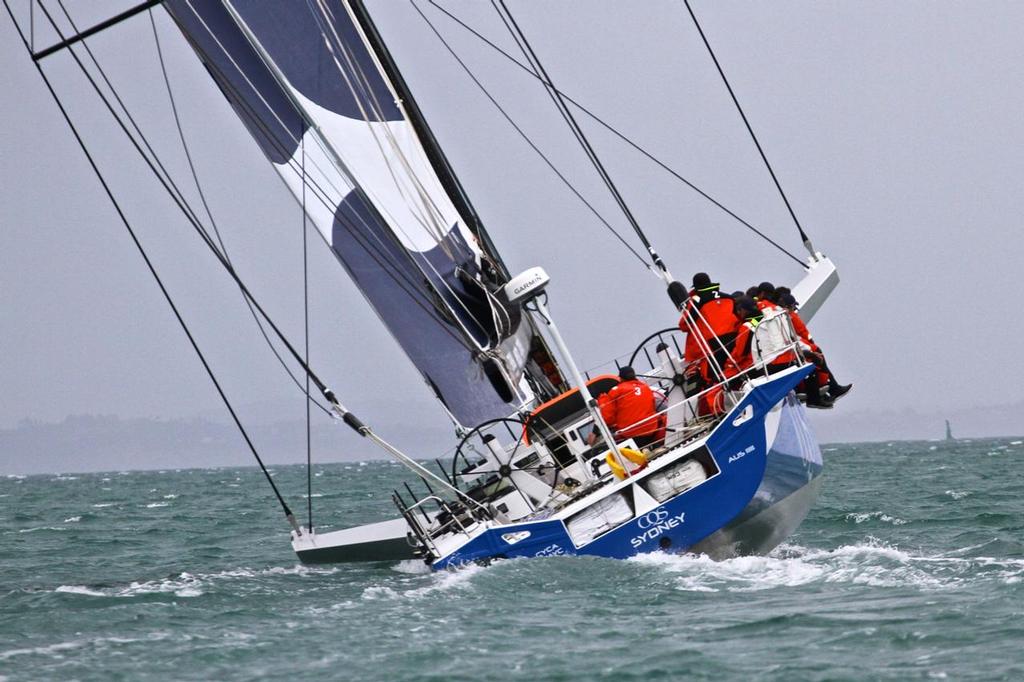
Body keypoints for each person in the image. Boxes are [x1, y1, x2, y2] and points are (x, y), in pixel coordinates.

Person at [727, 297, 834, 408]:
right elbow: (790, 339)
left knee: (738, 378)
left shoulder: (747, 326)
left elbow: (740, 353)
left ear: (743, 310)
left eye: (739, 311)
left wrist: (728, 365)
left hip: (767, 366)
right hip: (782, 360)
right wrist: (809, 352)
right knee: (808, 366)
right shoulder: (773, 318)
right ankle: (812, 397)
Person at [779, 293, 852, 401]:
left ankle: (826, 391)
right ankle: (831, 389)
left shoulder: (782, 317)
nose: (794, 310)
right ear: (789, 306)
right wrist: (812, 347)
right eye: (793, 307)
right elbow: (803, 334)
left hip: (795, 347)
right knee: (817, 361)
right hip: (801, 347)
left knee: (814, 364)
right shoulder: (791, 317)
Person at [587, 366, 662, 449]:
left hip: (631, 434)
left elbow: (607, 418)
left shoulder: (615, 391)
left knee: (604, 446)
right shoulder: (645, 387)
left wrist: (594, 433)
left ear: (621, 378)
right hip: (652, 429)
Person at [680, 273, 740, 366]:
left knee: (714, 374)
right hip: (735, 338)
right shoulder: (728, 297)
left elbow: (684, 325)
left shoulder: (697, 301)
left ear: (696, 288)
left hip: (714, 344)